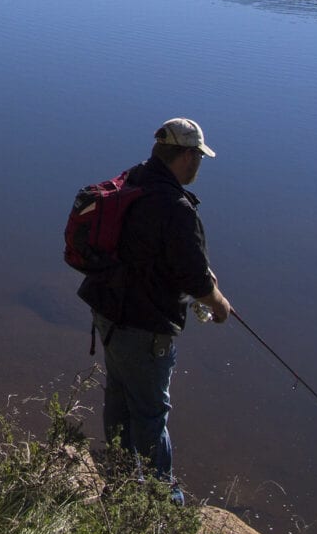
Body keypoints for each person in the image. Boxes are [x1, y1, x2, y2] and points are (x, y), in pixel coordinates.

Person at [78, 117, 233, 504]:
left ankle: (118, 479)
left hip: (106, 311)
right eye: (198, 155)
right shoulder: (177, 208)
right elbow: (196, 280)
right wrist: (221, 306)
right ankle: (161, 500)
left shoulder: (132, 180)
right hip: (144, 326)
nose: (199, 163)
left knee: (118, 396)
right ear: (185, 156)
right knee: (150, 412)